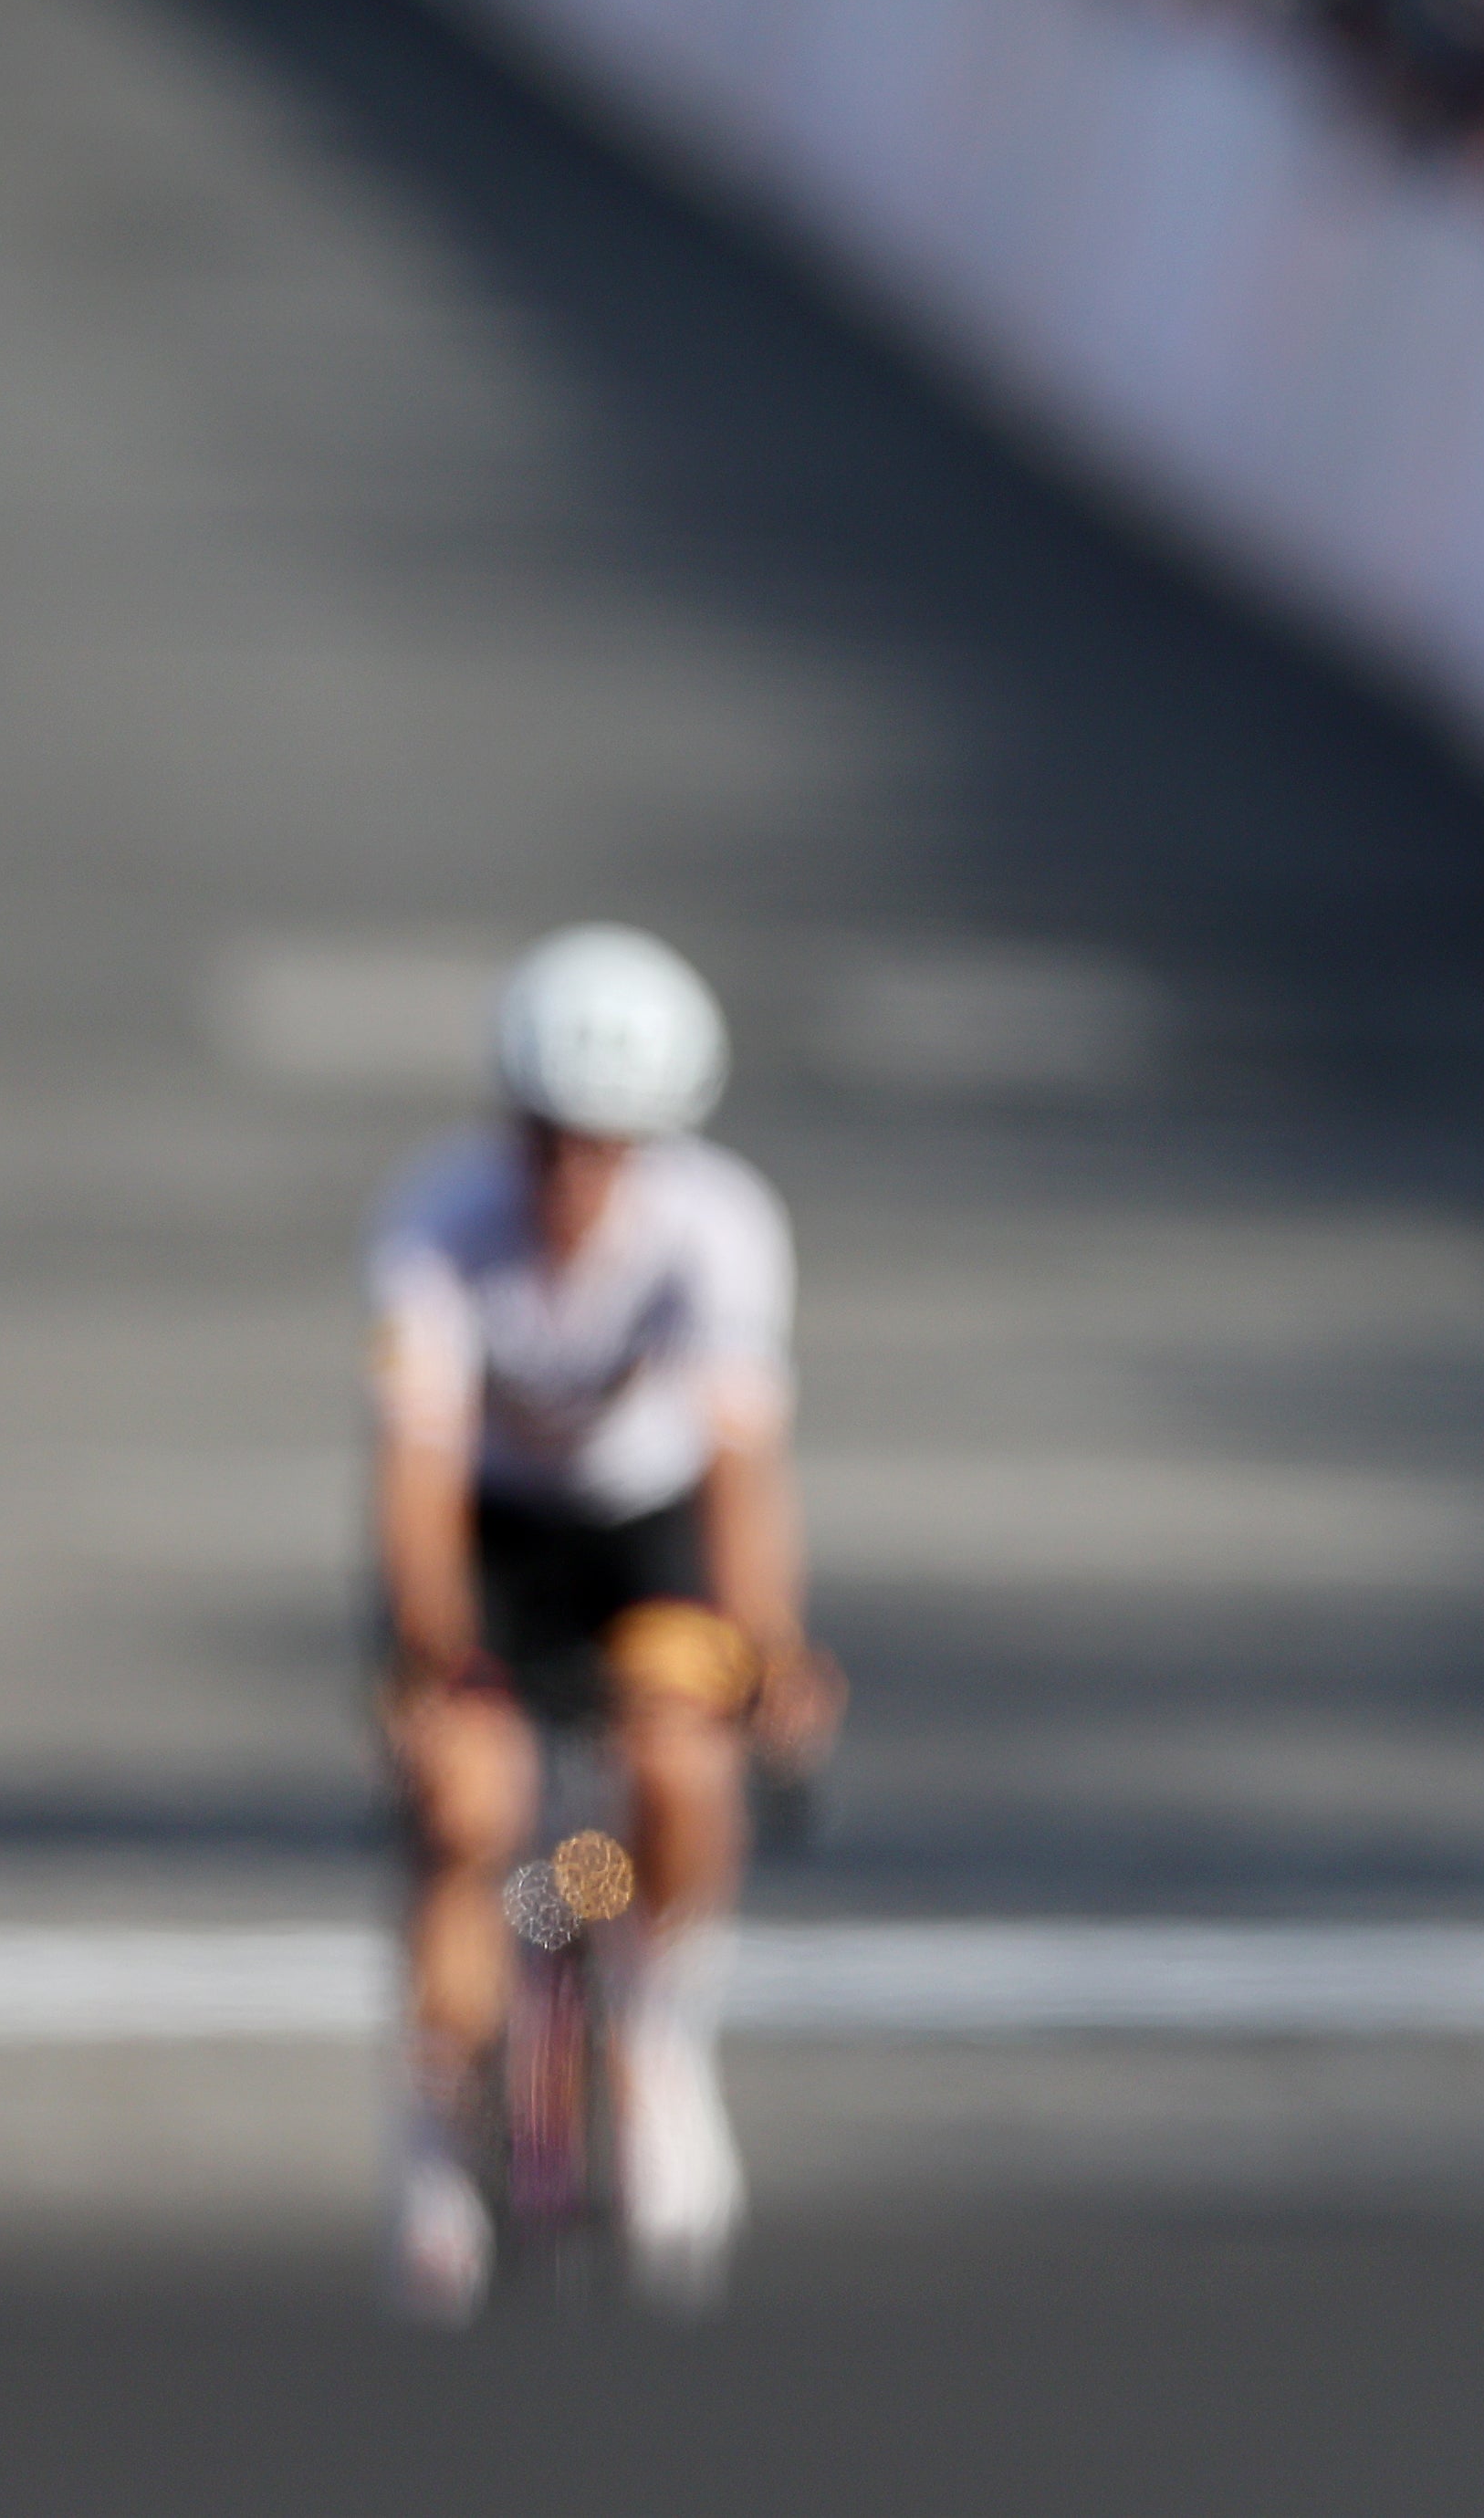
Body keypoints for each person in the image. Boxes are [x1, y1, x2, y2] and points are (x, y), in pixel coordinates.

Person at [371, 924, 840, 2319]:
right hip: (493, 1535)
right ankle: (438, 2114)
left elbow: (745, 1464)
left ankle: (649, 2009)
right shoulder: (433, 1218)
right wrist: (440, 1657)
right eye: (547, 1138)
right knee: (472, 1807)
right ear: (507, 1119)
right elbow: (414, 1473)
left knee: (676, 1769)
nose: (572, 1174)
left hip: (647, 1534)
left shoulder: (722, 1225)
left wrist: (775, 1647)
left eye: (609, 1145)